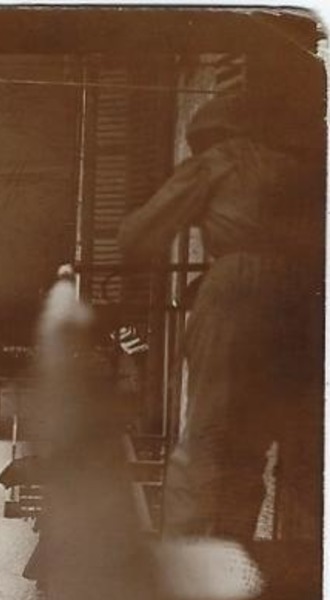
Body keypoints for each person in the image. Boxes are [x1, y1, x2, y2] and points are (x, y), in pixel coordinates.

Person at [119, 91, 323, 541]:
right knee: (264, 442)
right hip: (308, 300)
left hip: (239, 295)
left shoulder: (221, 160)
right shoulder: (302, 171)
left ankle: (191, 564)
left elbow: (139, 236)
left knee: (211, 435)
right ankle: (244, 551)